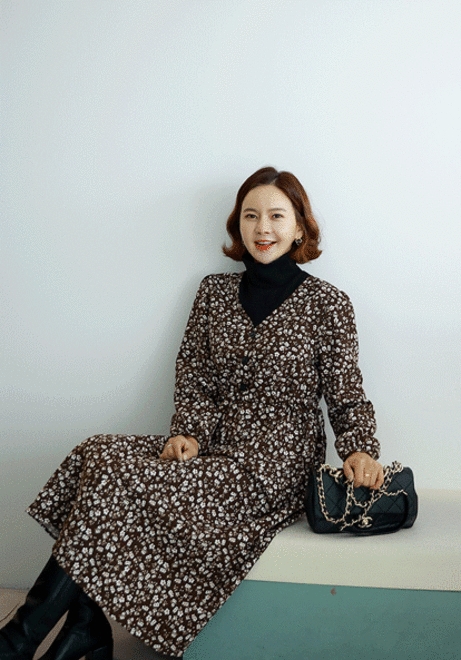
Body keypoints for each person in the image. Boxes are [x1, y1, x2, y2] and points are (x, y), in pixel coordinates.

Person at [0, 167, 384, 660]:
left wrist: (359, 449)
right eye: (251, 216)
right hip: (214, 448)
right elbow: (195, 379)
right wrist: (189, 434)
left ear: (299, 228)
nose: (262, 228)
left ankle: (22, 638)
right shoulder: (213, 293)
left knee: (121, 483)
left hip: (274, 467)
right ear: (237, 225)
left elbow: (346, 393)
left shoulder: (328, 304)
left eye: (276, 216)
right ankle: (84, 630)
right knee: (97, 453)